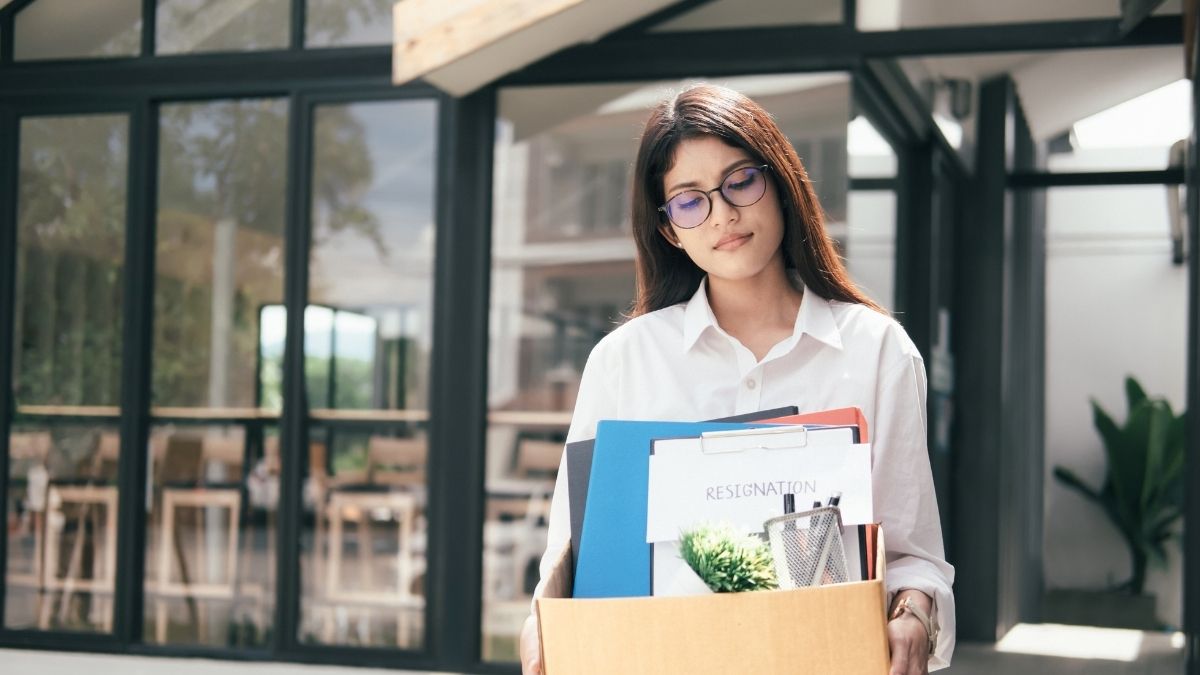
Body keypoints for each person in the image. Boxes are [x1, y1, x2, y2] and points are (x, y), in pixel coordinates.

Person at [519, 83, 954, 675]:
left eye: (740, 182)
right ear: (670, 227)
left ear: (779, 184)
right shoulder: (623, 360)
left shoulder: (876, 350)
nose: (723, 213)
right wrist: (544, 627)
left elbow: (912, 554)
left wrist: (914, 611)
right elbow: (571, 556)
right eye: (689, 200)